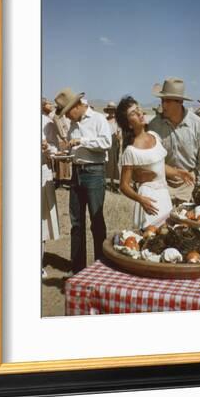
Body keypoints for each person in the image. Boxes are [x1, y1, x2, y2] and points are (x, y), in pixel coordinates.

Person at [54, 87, 112, 275]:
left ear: (78, 106)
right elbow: (75, 147)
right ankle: (78, 269)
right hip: (77, 173)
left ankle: (100, 268)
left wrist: (81, 141)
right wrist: (66, 153)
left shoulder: (98, 119)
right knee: (76, 223)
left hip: (94, 173)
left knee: (96, 220)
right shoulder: (73, 123)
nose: (68, 117)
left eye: (68, 112)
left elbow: (106, 143)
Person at [116, 96, 194, 230]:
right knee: (150, 237)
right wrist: (140, 199)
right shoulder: (131, 150)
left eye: (138, 109)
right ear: (128, 124)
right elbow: (123, 185)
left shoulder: (154, 136)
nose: (140, 113)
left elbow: (159, 167)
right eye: (133, 113)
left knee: (167, 234)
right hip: (148, 199)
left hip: (164, 195)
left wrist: (178, 173)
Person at [145, 78, 200, 203]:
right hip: (161, 184)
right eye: (162, 100)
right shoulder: (154, 126)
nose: (163, 105)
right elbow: (151, 161)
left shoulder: (197, 124)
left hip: (188, 186)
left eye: (168, 101)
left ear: (180, 102)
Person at [41, 100, 61, 279]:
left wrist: (47, 148)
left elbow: (55, 150)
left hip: (40, 173)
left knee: (40, 220)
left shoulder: (46, 122)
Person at [104, 101, 121, 192]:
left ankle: (113, 182)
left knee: (114, 161)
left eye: (113, 110)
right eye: (110, 110)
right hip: (106, 140)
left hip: (114, 142)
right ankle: (107, 182)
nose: (111, 112)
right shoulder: (105, 120)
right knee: (107, 161)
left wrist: (118, 142)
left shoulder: (117, 121)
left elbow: (118, 133)